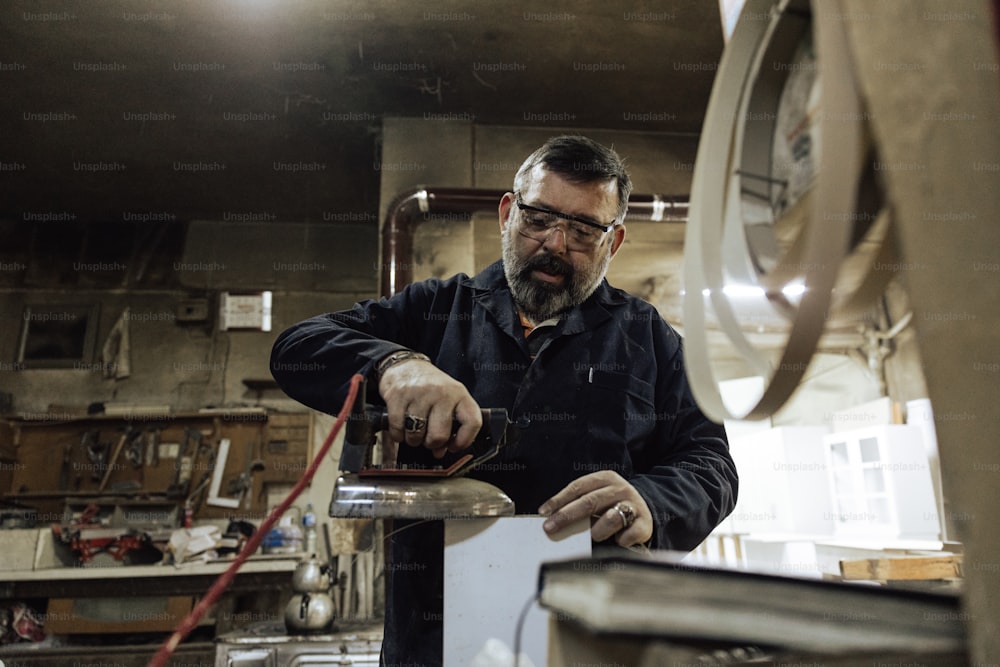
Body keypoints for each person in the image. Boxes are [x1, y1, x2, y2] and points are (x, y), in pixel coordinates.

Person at [270, 135, 738, 665]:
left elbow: (711, 465)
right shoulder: (436, 310)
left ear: (615, 241)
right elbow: (297, 347)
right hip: (437, 639)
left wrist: (653, 500)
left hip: (591, 637)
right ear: (507, 213)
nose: (556, 243)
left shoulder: (649, 338)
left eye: (583, 230)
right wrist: (395, 367)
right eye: (539, 218)